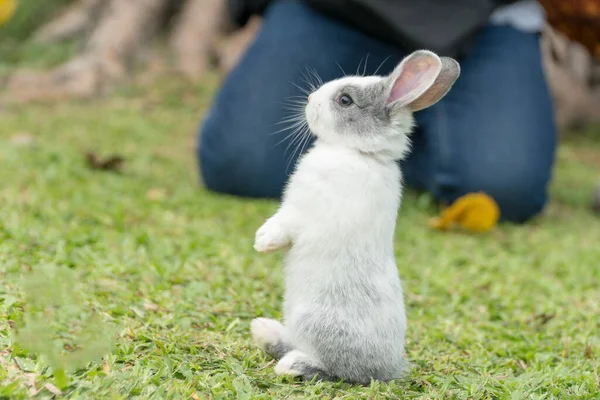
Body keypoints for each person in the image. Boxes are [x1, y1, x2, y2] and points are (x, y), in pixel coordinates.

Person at [197, 0, 556, 223]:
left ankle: (398, 139)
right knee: (242, 165)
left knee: (505, 189)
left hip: (485, 17)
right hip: (335, 9)